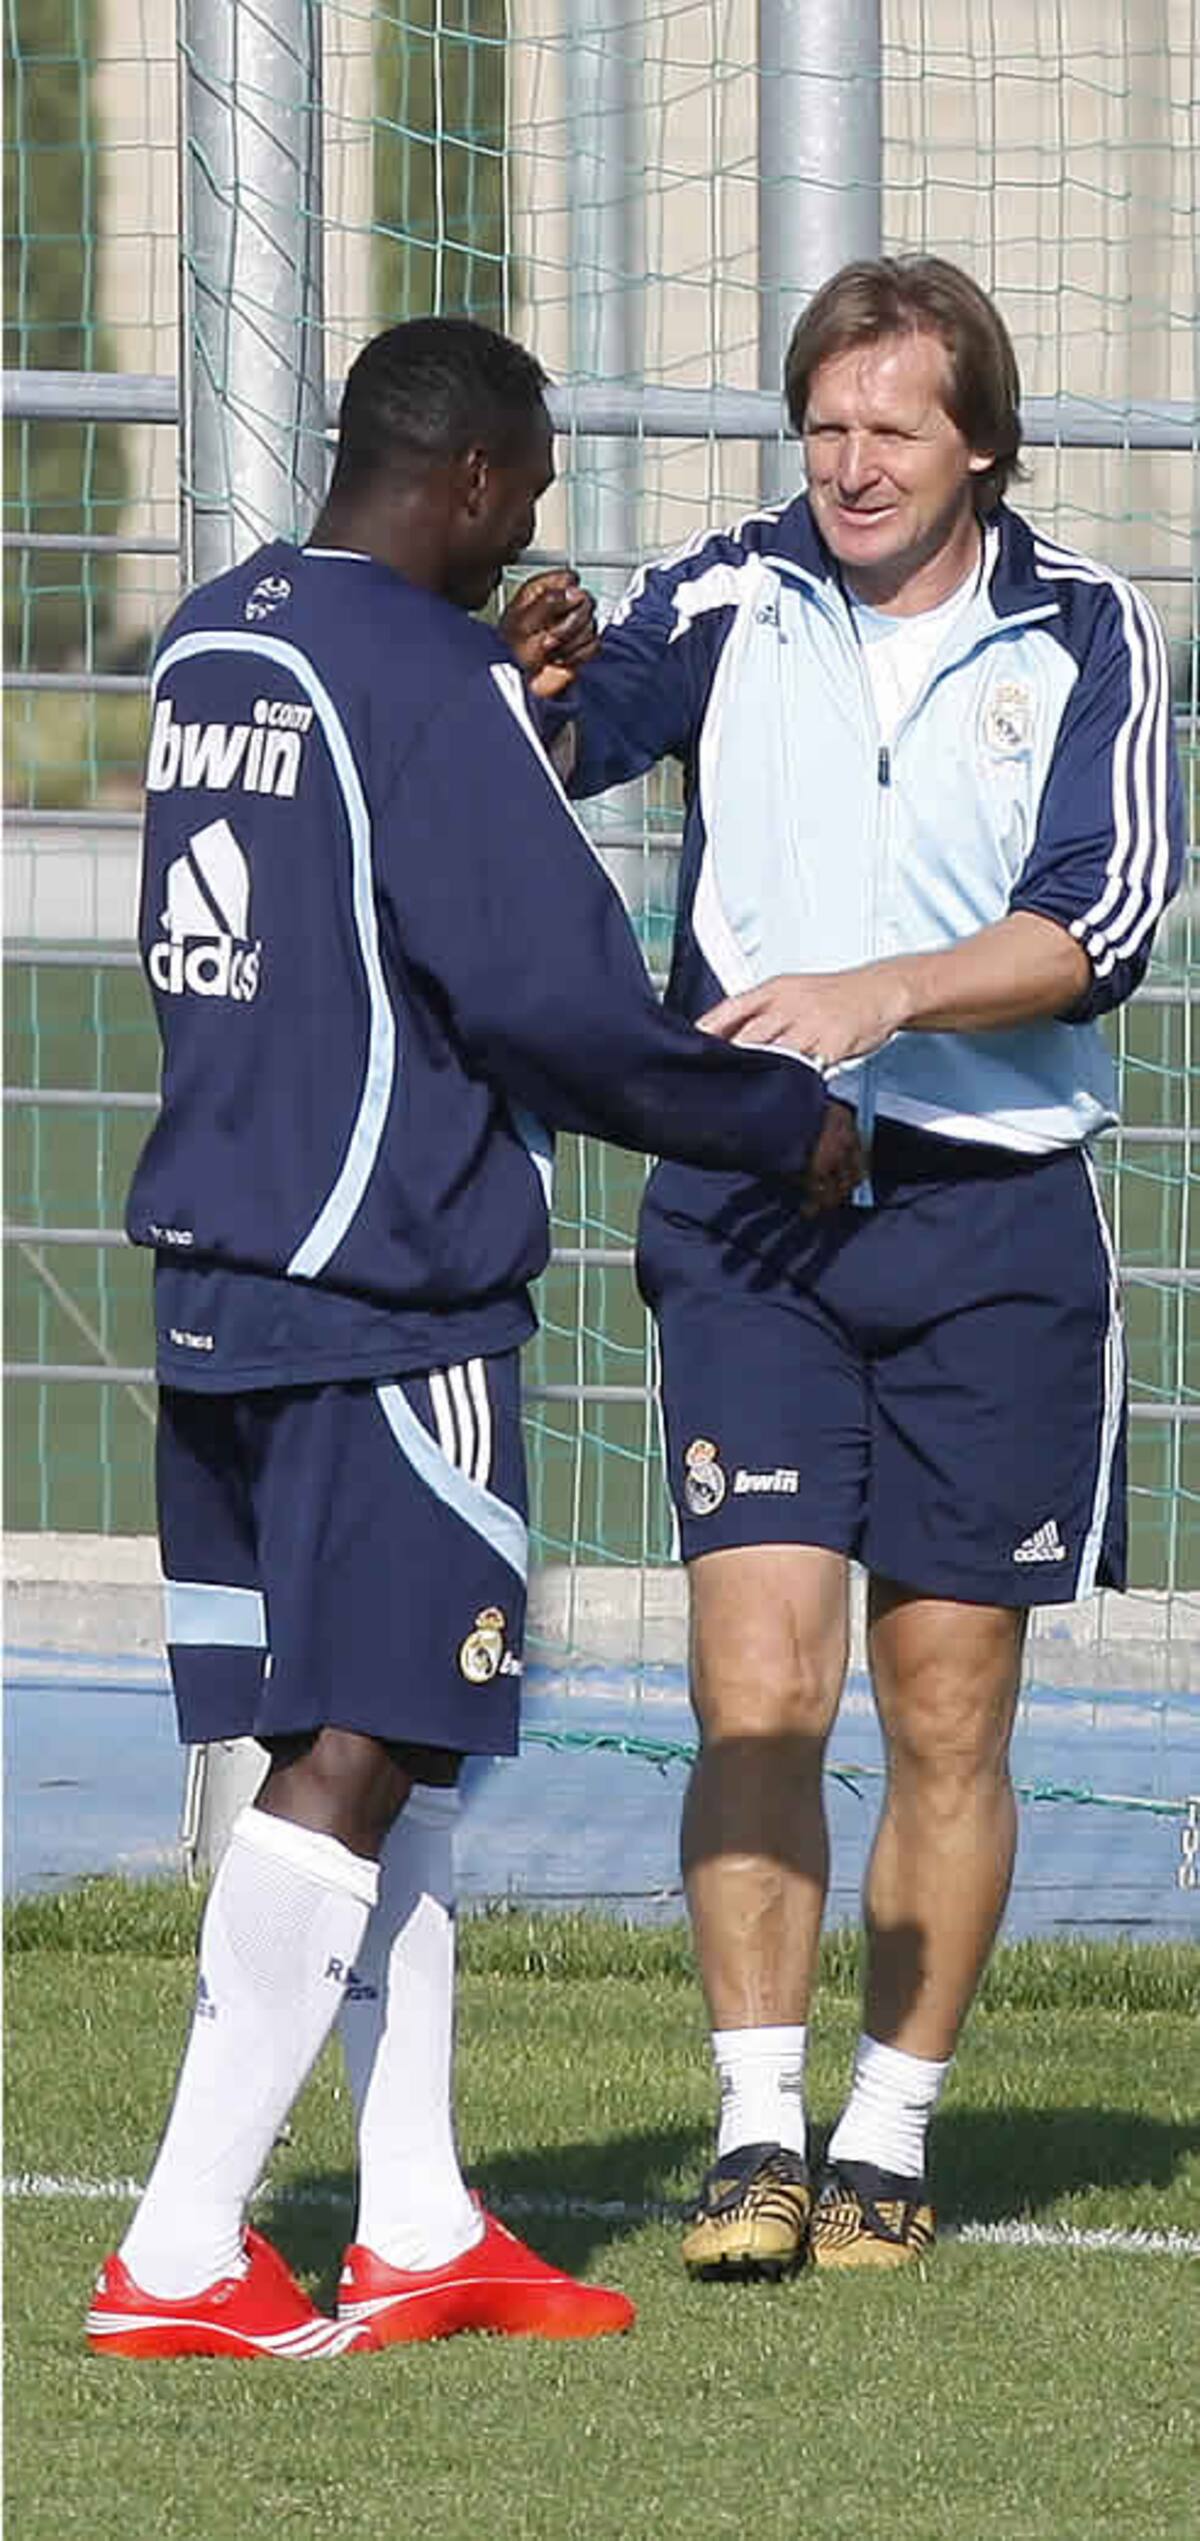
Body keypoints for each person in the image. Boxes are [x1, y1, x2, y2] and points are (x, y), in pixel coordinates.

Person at [87, 316, 861, 2362]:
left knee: (373, 1733)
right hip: (385, 1294)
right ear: (484, 483)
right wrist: (790, 1119)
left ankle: (417, 2213)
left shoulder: (216, 635)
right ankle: (177, 2247)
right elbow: (550, 1006)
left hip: (221, 1258)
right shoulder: (422, 674)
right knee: (362, 1743)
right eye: (531, 484)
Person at [507, 256, 1184, 2274]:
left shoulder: (1084, 631)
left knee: (951, 1705)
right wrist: (539, 676)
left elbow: (1107, 918)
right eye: (826, 422)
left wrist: (879, 994)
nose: (854, 462)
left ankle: (892, 2125)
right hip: (752, 1211)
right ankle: (755, 2127)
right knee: (760, 1682)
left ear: (979, 437)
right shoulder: (733, 586)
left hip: (992, 1223)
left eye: (894, 426)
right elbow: (579, 732)